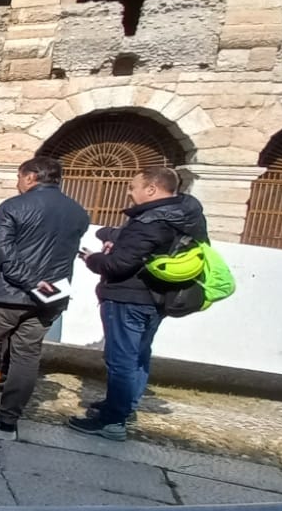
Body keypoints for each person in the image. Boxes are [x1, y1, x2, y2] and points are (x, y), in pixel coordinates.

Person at [0, 157, 89, 436]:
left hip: (8, 293)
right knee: (27, 355)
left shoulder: (13, 206)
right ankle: (9, 416)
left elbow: (5, 255)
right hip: (49, 298)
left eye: (20, 176)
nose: (17, 183)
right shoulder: (78, 212)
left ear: (32, 177)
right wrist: (44, 288)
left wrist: (33, 283)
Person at [68, 167, 207, 441]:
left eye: (133, 187)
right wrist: (112, 235)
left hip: (129, 297)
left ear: (152, 189)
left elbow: (119, 264)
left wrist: (91, 259)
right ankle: (124, 407)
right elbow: (145, 246)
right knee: (139, 355)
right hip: (159, 297)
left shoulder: (150, 221)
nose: (130, 192)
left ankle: (112, 422)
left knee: (121, 359)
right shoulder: (184, 215)